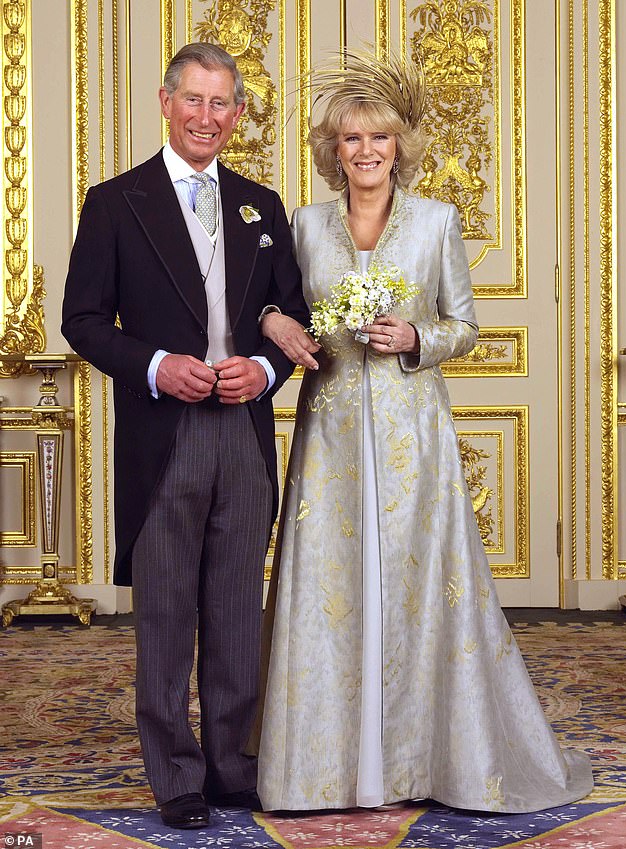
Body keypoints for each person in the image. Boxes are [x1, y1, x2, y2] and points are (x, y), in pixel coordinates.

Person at [255, 49, 593, 813]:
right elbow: (276, 308)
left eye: (379, 139)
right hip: (332, 436)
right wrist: (283, 323)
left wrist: (416, 339)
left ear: (400, 146)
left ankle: (421, 761)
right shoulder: (304, 227)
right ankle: (319, 770)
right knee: (331, 587)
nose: (367, 152)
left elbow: (465, 326)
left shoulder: (437, 221)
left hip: (414, 439)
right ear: (332, 151)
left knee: (414, 586)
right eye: (350, 140)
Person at [61, 42, 310, 829]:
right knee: (166, 610)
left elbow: (289, 315)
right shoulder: (114, 201)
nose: (207, 117)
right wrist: (159, 364)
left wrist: (265, 373)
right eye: (193, 100)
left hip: (241, 431)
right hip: (164, 433)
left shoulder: (260, 204)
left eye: (221, 104)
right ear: (166, 103)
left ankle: (231, 763)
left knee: (237, 606)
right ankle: (175, 773)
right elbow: (83, 321)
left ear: (238, 116)